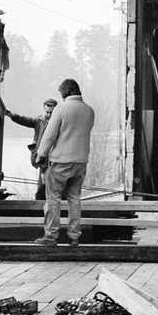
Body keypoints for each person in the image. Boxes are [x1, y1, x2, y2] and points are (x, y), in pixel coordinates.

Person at [34, 78, 95, 247]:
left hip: (61, 161)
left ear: (65, 92)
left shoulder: (61, 109)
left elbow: (49, 136)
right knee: (74, 199)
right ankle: (74, 236)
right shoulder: (89, 110)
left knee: (53, 199)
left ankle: (51, 236)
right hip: (81, 162)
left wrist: (40, 155)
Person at [6, 98, 58, 201]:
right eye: (47, 112)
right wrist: (12, 115)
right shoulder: (39, 121)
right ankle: (39, 206)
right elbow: (25, 120)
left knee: (54, 187)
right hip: (43, 159)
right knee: (42, 188)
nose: (48, 115)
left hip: (55, 159)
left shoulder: (60, 122)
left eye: (51, 112)